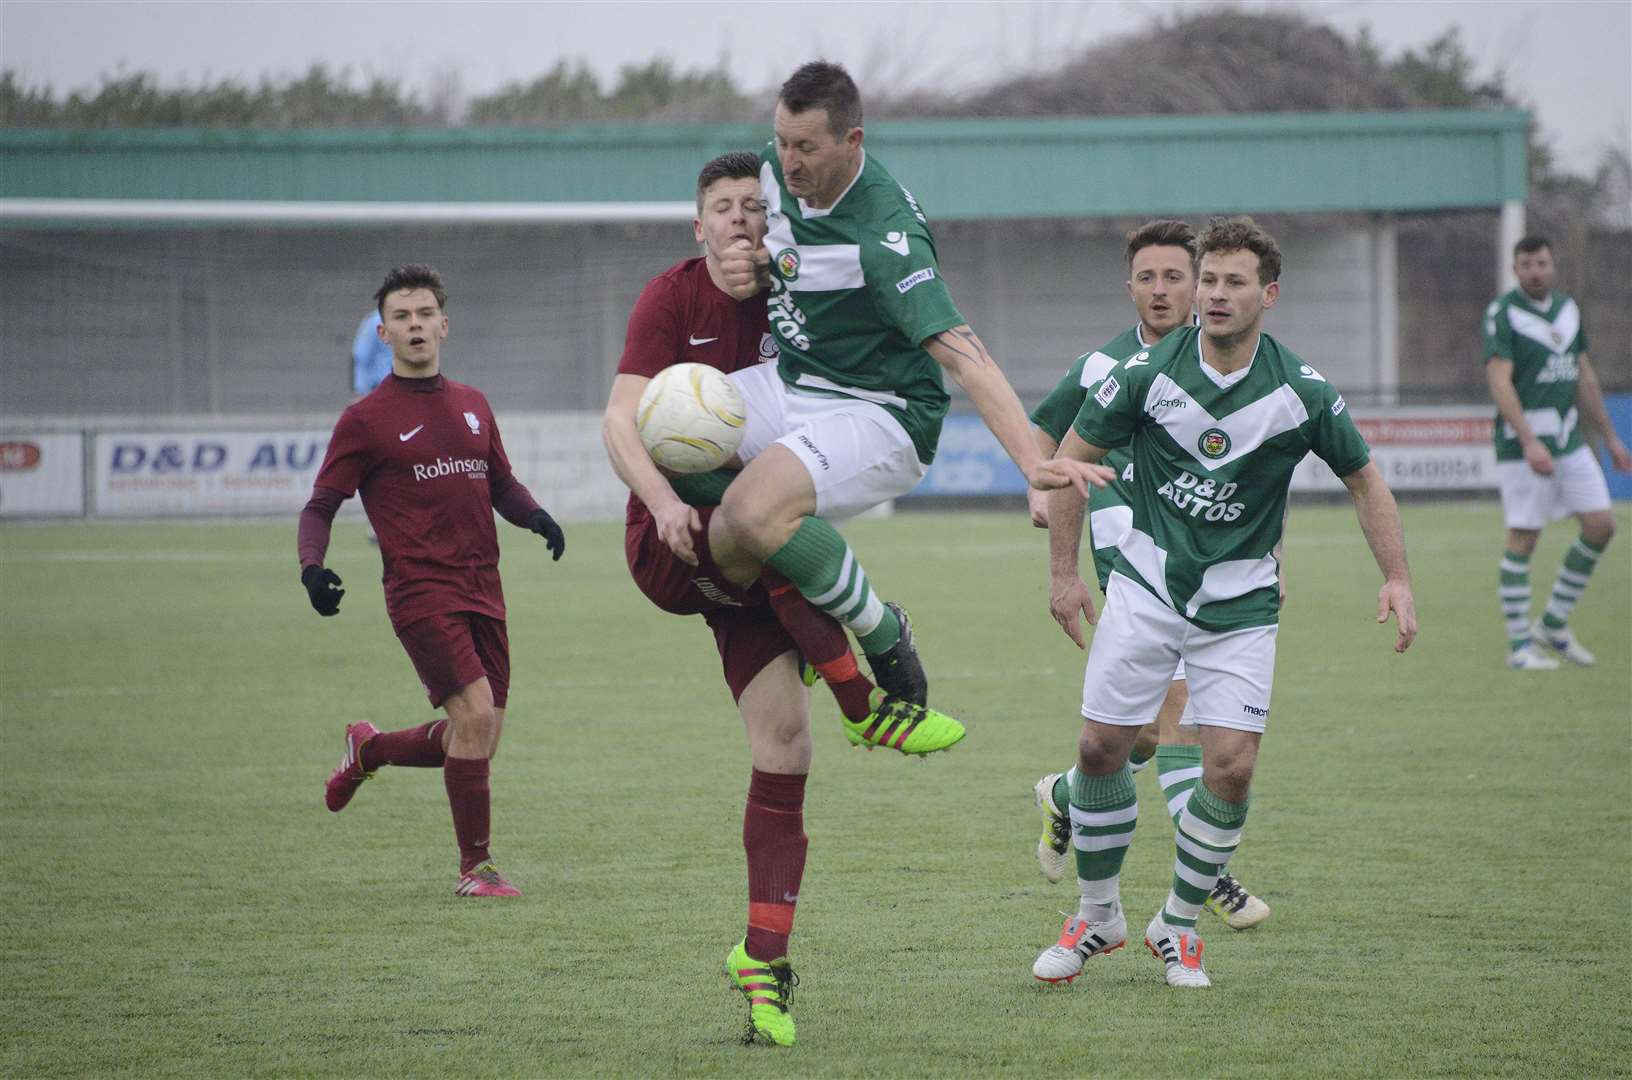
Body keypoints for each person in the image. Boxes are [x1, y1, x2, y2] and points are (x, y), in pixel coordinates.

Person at [602, 151, 966, 1048]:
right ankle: (864, 698)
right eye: (721, 209)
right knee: (749, 505)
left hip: (755, 556)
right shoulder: (670, 298)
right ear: (699, 225)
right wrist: (656, 499)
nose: (740, 220)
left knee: (783, 749)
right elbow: (620, 419)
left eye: (752, 207)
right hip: (675, 544)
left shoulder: (797, 301)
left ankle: (763, 960)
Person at [1030, 217, 1416, 989]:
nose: (1212, 294)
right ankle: (1097, 915)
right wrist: (1065, 574)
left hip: (1240, 603)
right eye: (1208, 279)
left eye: (1232, 282)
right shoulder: (1141, 373)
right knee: (1102, 749)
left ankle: (1176, 926)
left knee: (1231, 768)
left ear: (1268, 295)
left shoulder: (1301, 392)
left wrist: (1397, 576)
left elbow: (1364, 479)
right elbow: (1070, 463)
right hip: (1144, 586)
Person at [702, 60, 1108, 711]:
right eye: (781, 140)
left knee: (750, 514)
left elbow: (967, 358)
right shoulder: (773, 173)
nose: (787, 160)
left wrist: (1033, 464)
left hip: (881, 415)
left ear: (852, 142)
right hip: (792, 383)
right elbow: (755, 245)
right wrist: (742, 262)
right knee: (668, 434)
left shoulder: (888, 241)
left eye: (805, 146)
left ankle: (882, 631)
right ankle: (799, 582)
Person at [1024, 219, 1269, 934]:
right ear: (1128, 287)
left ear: (1197, 285)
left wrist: (1267, 558)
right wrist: (1042, 489)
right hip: (1132, 553)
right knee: (1178, 718)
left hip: (1212, 564)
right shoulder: (1102, 368)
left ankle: (1066, 795)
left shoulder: (1229, 368)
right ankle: (1212, 877)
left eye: (1174, 277)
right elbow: (1044, 433)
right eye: (1147, 278)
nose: (1161, 290)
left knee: (1142, 739)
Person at [297, 264, 566, 898]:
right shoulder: (365, 419)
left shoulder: (473, 404)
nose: (414, 325)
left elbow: (499, 481)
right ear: (384, 333)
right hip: (420, 592)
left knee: (478, 736)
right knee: (474, 719)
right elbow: (320, 505)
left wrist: (536, 516)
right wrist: (312, 567)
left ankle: (369, 750)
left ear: (444, 325)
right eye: (401, 317)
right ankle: (476, 869)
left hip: (484, 586)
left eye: (424, 314)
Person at [1483, 234, 1629, 671]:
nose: (1535, 271)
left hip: (1568, 439)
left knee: (1601, 525)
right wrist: (1528, 440)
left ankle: (1553, 622)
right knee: (1524, 537)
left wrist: (1610, 436)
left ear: (1553, 265)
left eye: (1542, 263)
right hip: (1523, 444)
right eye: (1526, 264)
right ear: (1515, 270)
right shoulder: (1503, 313)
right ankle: (1519, 647)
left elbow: (1583, 375)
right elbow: (1500, 380)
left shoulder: (1568, 309)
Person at [352, 309, 395, 398]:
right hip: (380, 386)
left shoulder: (375, 320)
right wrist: (360, 390)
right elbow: (361, 357)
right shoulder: (375, 321)